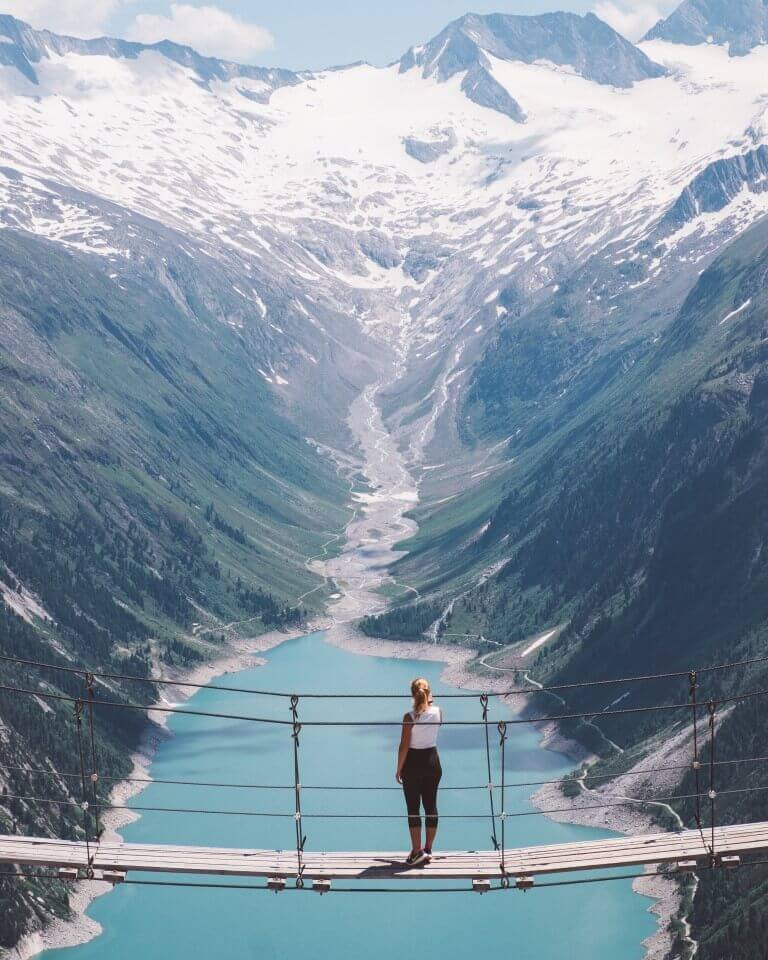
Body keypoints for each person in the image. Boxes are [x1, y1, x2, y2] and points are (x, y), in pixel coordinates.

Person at [396, 677, 443, 866]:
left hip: (413, 764)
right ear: (429, 693)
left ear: (412, 695)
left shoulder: (409, 717)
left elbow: (404, 745)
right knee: (431, 806)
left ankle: (417, 851)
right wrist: (429, 701)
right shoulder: (439, 712)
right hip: (432, 761)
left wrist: (399, 768)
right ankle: (428, 849)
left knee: (413, 808)